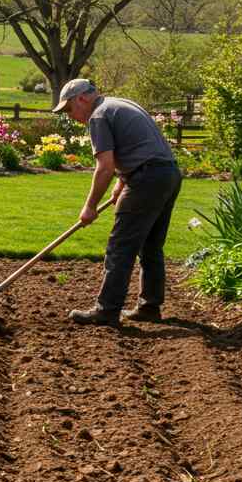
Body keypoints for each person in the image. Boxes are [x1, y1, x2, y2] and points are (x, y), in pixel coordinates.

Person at [52, 79, 182, 326]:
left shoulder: (98, 116)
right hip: (167, 174)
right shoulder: (118, 104)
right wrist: (122, 183)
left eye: (69, 109)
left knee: (120, 246)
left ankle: (107, 310)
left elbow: (104, 167)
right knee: (151, 246)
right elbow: (137, 147)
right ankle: (149, 307)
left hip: (147, 179)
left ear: (82, 98)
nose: (70, 116)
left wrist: (90, 206)